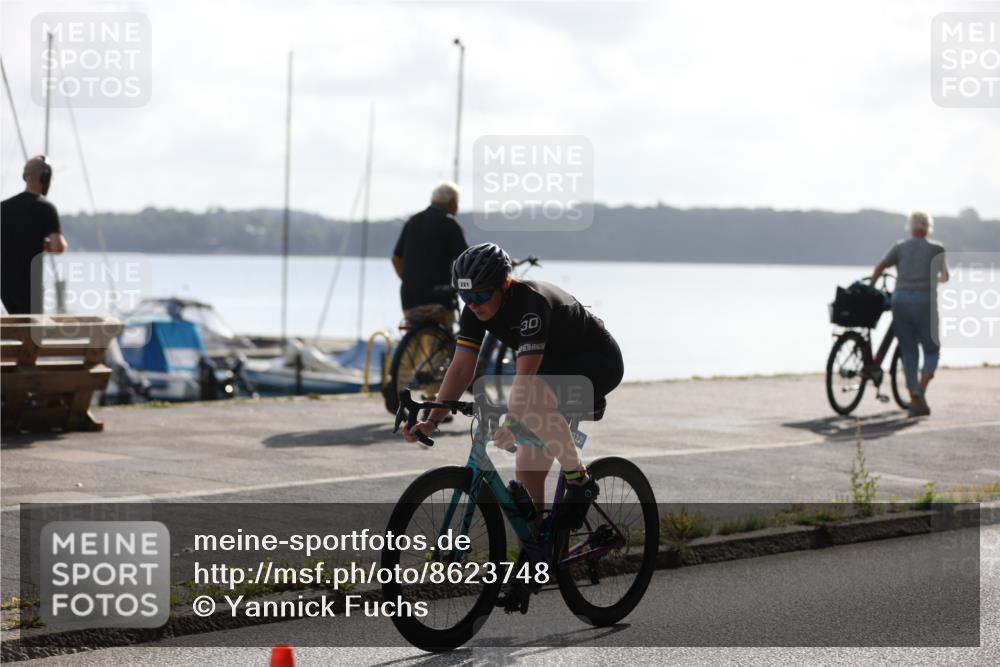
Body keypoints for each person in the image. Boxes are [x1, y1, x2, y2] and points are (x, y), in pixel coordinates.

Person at [401, 243, 624, 530]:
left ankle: (579, 481)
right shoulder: (474, 311)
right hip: (551, 368)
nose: (473, 304)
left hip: (596, 362)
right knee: (527, 471)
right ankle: (535, 549)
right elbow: (461, 368)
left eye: (480, 295)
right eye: (466, 296)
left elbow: (526, 377)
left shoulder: (531, 305)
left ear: (504, 284)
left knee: (533, 400)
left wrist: (512, 423)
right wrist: (433, 420)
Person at [871, 211, 949, 418]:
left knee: (909, 353)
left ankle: (914, 397)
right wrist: (931, 279)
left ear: (911, 226)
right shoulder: (937, 249)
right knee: (931, 350)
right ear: (928, 227)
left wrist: (870, 287)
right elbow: (944, 277)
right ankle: (920, 392)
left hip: (900, 302)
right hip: (925, 303)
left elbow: (880, 267)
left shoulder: (900, 247)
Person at [391, 182, 468, 328]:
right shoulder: (449, 223)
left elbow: (396, 259)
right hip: (438, 300)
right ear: (452, 202)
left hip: (409, 299)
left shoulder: (412, 221)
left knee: (416, 340)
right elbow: (466, 260)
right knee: (443, 339)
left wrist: (410, 280)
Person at [1, 156, 68, 314]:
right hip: (30, 285)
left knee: (16, 325)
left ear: (25, 176)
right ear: (45, 178)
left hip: (5, 286)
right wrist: (45, 246)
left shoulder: (3, 207)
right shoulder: (46, 208)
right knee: (32, 328)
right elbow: (58, 247)